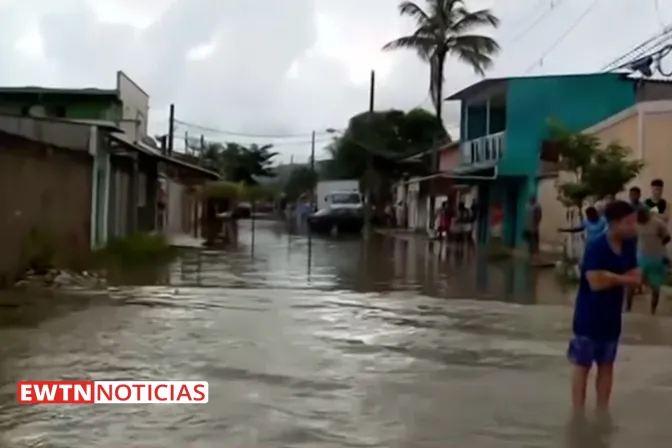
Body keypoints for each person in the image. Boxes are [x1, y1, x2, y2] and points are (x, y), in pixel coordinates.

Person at [568, 200, 640, 410]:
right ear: (614, 223)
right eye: (629, 223)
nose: (633, 227)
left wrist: (611, 276)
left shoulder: (629, 246)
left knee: (607, 366)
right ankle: (578, 414)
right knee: (582, 366)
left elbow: (637, 277)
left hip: (612, 317)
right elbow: (596, 283)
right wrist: (620, 278)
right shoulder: (596, 247)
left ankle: (602, 412)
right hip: (588, 318)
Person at [626, 207, 670, 314]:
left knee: (655, 285)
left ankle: (653, 311)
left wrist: (658, 245)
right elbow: (631, 237)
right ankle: (627, 309)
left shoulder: (658, 223)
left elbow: (668, 237)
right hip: (640, 257)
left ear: (647, 215)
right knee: (632, 283)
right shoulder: (635, 224)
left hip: (657, 258)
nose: (639, 219)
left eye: (641, 216)